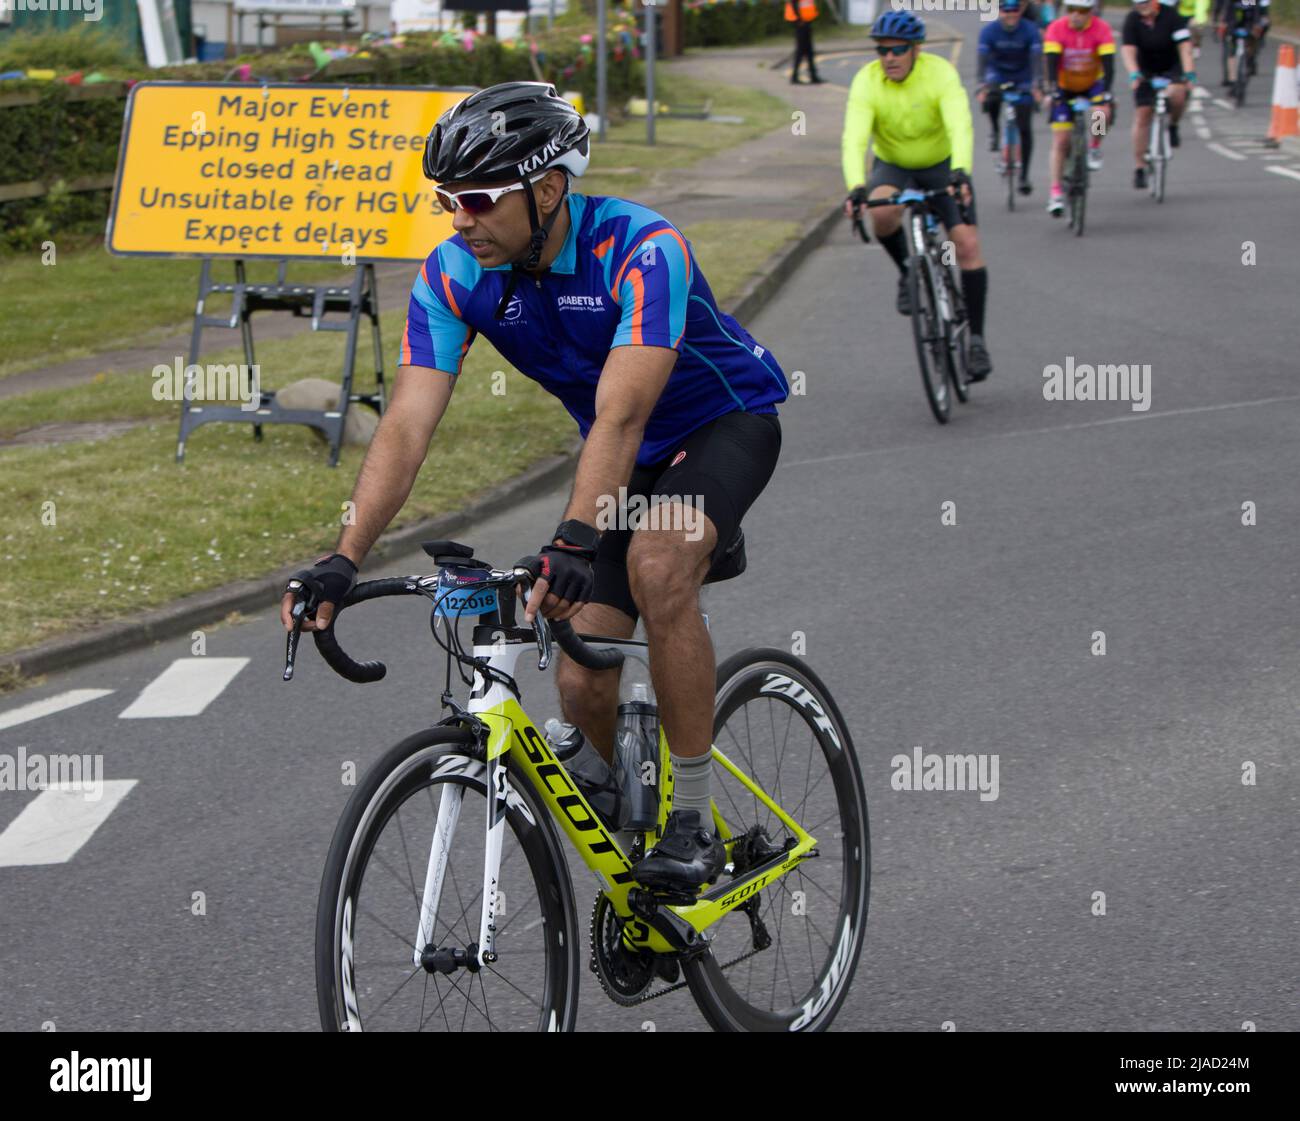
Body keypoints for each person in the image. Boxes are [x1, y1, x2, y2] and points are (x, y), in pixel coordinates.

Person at [280, 82, 788, 894]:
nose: (459, 219)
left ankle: (692, 820)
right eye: (447, 200)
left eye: (478, 200)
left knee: (658, 566)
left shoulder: (642, 248)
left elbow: (622, 416)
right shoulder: (452, 275)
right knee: (581, 667)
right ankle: (635, 835)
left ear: (547, 188)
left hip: (717, 426)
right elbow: (407, 426)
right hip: (620, 459)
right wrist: (343, 556)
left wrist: (576, 541)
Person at [841, 10, 994, 381]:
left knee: (967, 245)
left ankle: (975, 340)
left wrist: (961, 171)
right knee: (881, 215)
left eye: (898, 50)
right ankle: (909, 268)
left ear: (917, 49)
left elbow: (960, 123)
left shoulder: (939, 73)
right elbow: (855, 137)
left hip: (940, 164)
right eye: (882, 50)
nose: (889, 58)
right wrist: (856, 187)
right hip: (894, 164)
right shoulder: (867, 81)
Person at [1042, 0, 1116, 216]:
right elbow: (1051, 63)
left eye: (1082, 11)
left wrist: (1108, 91)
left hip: (1092, 83)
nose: (1076, 15)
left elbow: (1109, 64)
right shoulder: (1056, 28)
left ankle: (1094, 145)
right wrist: (1053, 90)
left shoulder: (1101, 28)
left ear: (1090, 12)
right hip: (1065, 86)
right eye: (1071, 10)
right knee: (1061, 140)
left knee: (1101, 113)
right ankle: (1055, 192)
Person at [1122, 0, 1195, 189]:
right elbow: (1128, 50)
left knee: (1178, 94)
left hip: (1171, 66)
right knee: (1143, 114)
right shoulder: (1132, 20)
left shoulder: (1172, 16)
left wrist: (1189, 73)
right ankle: (1139, 167)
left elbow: (1184, 46)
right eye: (1138, 5)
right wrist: (1134, 73)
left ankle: (1173, 125)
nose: (1142, 8)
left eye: (1146, 4)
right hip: (1145, 68)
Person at [977, 0, 1045, 196]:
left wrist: (1037, 85)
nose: (1010, 14)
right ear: (999, 12)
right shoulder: (989, 31)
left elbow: (1036, 59)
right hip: (998, 74)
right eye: (1006, 10)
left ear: (1020, 11)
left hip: (1022, 76)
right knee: (992, 98)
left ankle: (1024, 176)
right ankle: (995, 130)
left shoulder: (1030, 29)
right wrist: (982, 86)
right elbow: (982, 62)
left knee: (1025, 127)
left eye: (1014, 10)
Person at [1214, 0, 1270, 85]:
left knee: (1252, 40)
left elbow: (1256, 11)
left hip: (1249, 24)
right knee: (1230, 50)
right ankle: (1231, 78)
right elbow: (1225, 11)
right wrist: (1222, 23)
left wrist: (1258, 23)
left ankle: (1250, 60)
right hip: (1233, 25)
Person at [786, 0, 825, 84]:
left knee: (809, 51)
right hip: (801, 23)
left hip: (805, 22)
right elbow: (794, 3)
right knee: (801, 51)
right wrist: (799, 20)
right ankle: (794, 77)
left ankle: (813, 76)